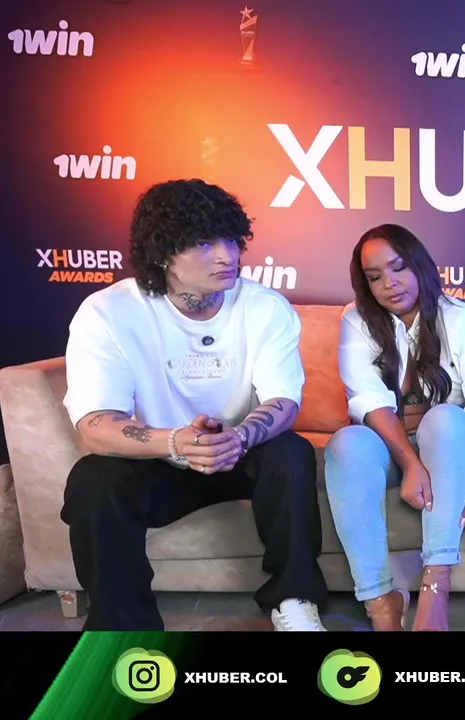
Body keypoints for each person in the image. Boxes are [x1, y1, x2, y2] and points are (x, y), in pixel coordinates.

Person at [59, 179, 328, 631]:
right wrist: (176, 442)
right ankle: (122, 630)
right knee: (93, 478)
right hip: (159, 461)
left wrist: (238, 437)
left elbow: (283, 400)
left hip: (238, 455)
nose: (226, 256)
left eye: (231, 239)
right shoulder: (108, 312)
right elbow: (95, 424)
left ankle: (294, 602)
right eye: (204, 243)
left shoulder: (265, 307)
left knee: (290, 451)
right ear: (163, 252)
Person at [324, 224, 465, 631]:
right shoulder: (356, 319)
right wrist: (410, 463)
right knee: (347, 442)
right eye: (375, 277)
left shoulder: (457, 317)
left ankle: (435, 588)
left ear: (419, 265)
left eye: (398, 268)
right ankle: (381, 604)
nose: (389, 284)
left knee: (447, 417)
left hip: (446, 450)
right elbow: (368, 399)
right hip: (390, 450)